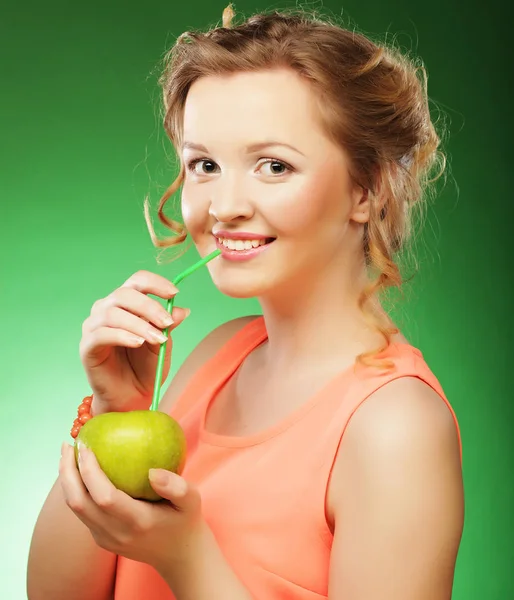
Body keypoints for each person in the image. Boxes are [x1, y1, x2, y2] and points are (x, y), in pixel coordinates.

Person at [27, 5, 464, 600]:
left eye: (273, 165)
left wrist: (187, 559)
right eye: (204, 164)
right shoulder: (219, 354)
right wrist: (116, 412)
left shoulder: (395, 426)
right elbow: (55, 593)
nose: (223, 204)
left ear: (366, 188)